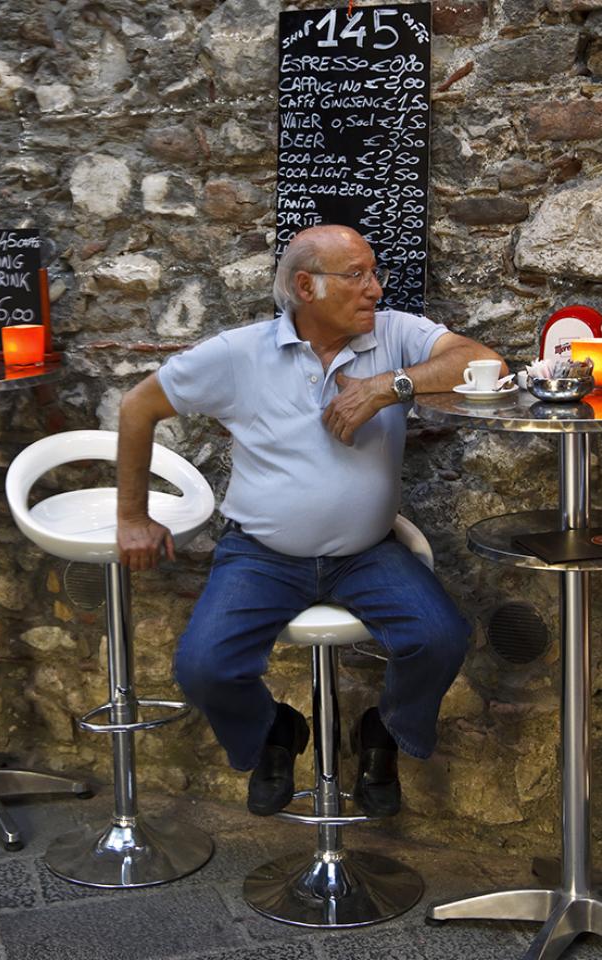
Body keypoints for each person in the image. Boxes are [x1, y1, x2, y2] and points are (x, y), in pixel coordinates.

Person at [116, 224, 495, 817]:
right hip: (262, 554)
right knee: (204, 668)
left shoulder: (394, 334)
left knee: (441, 638)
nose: (375, 289)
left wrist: (388, 386)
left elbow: (483, 361)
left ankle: (384, 732)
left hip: (367, 553)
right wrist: (132, 516)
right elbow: (137, 406)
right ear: (305, 287)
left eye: (375, 273)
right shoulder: (238, 354)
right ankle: (274, 730)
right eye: (356, 275)